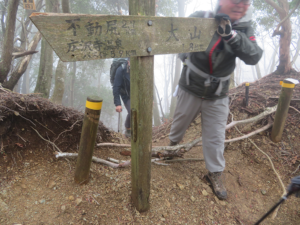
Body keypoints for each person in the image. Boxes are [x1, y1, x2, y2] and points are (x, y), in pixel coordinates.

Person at [169, 0, 263, 200]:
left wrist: (231, 36)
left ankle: (215, 173)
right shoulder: (201, 18)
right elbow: (176, 37)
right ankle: (171, 148)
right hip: (191, 86)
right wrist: (184, 57)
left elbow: (254, 56)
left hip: (218, 94)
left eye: (246, 3)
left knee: (216, 136)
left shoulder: (244, 28)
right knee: (179, 123)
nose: (241, 6)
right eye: (236, 1)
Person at [113, 58, 131, 138]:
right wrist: (118, 104)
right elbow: (116, 87)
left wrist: (152, 99)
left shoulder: (140, 68)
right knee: (132, 111)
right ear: (128, 62)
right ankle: (128, 128)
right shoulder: (121, 70)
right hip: (126, 94)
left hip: (138, 93)